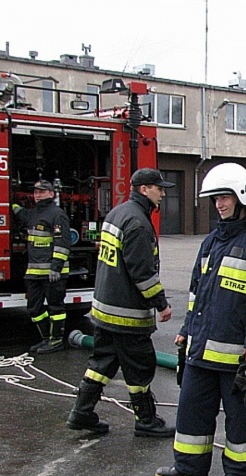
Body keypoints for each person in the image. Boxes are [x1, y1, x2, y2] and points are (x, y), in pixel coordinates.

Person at [155, 163, 246, 476]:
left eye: (225, 197)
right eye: (215, 199)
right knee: (191, 411)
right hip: (201, 347)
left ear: (243, 198)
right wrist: (187, 329)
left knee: (240, 417)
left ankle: (237, 472)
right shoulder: (212, 241)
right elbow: (196, 292)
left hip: (241, 356)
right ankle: (189, 466)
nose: (219, 204)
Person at [66, 168, 175, 437]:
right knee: (139, 369)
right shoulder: (138, 223)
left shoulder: (117, 213)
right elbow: (142, 273)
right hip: (127, 314)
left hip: (104, 310)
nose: (162, 193)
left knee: (101, 363)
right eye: (158, 188)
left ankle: (81, 413)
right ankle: (146, 421)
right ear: (144, 189)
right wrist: (161, 304)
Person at [12, 180, 71, 354]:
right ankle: (46, 338)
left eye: (42, 192)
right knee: (34, 308)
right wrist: (9, 201)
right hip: (34, 272)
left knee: (55, 307)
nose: (38, 195)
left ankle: (56, 340)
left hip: (52, 273)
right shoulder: (33, 214)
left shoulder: (57, 214)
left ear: (51, 194)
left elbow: (63, 244)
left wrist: (56, 268)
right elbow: (18, 212)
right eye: (36, 192)